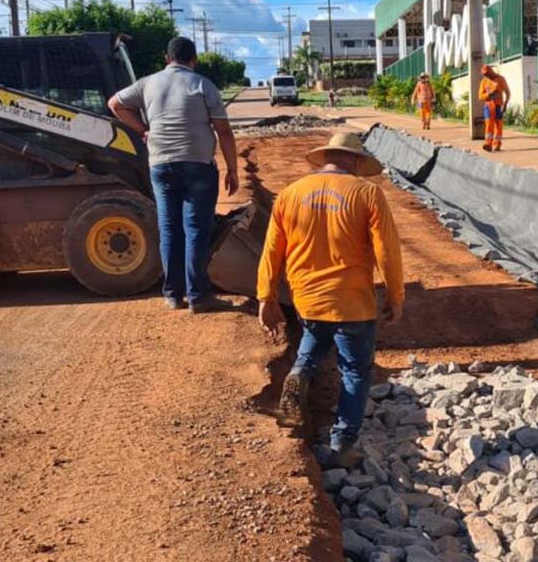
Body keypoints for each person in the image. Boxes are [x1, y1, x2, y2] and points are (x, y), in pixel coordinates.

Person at [256, 132, 405, 465]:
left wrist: (265, 297)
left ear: (326, 158)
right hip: (352, 302)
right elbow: (387, 251)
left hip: (307, 298)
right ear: (354, 161)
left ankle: (298, 374)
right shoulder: (367, 193)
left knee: (313, 336)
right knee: (354, 371)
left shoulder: (290, 194)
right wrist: (395, 295)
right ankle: (342, 444)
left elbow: (271, 251)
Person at [108, 37, 239, 313]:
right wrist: (232, 170)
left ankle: (172, 294)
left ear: (167, 59)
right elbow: (224, 131)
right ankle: (199, 295)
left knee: (169, 230)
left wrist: (143, 129)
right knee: (196, 231)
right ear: (194, 60)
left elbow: (115, 104)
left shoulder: (147, 83)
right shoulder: (203, 85)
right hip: (198, 166)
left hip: (161, 165)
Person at [478, 65, 510, 152]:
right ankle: (488, 144)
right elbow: (480, 96)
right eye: (485, 74)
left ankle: (497, 144)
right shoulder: (484, 82)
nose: (487, 75)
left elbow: (507, 92)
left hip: (498, 106)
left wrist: (505, 103)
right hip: (488, 106)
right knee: (489, 124)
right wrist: (488, 95)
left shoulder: (500, 79)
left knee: (498, 125)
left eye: (488, 73)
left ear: (491, 71)